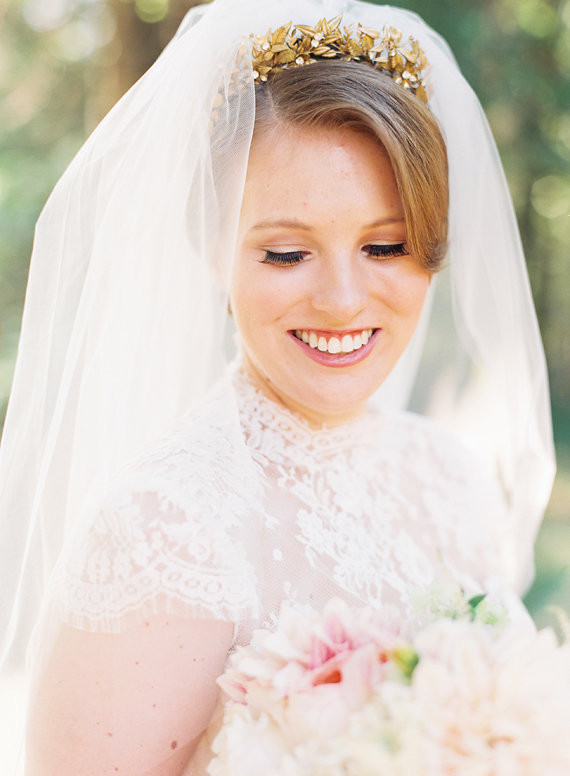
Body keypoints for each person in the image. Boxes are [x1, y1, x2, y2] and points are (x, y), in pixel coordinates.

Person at [0, 0, 555, 773]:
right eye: (287, 254)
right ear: (215, 251)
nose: (343, 301)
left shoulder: (452, 479)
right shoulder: (163, 537)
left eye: (386, 246)